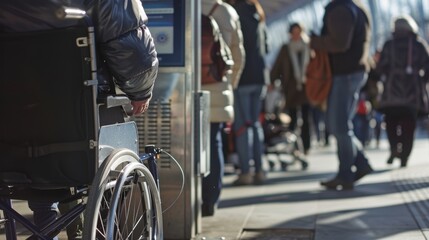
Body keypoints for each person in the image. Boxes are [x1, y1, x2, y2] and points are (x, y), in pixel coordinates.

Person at [0, 0, 158, 239]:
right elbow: (132, 51)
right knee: (95, 143)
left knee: (33, 130)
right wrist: (141, 91)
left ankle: (46, 226)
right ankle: (96, 227)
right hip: (78, 128)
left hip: (12, 136)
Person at [310, 0, 373, 190]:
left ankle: (346, 173)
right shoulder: (355, 7)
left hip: (344, 73)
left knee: (338, 125)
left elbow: (339, 44)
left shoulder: (340, 10)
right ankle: (360, 163)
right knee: (340, 124)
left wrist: (313, 41)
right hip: (351, 71)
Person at [201, 0, 245, 216]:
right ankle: (209, 200)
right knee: (213, 142)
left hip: (183, 87)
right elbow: (238, 57)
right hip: (217, 86)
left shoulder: (181, 7)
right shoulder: (227, 12)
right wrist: (229, 85)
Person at [376, 15, 429, 167]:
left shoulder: (388, 45)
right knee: (408, 126)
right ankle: (404, 156)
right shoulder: (418, 45)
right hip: (412, 93)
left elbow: (381, 68)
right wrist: (422, 80)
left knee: (391, 123)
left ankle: (394, 148)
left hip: (391, 93)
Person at [227, 0, 268, 185]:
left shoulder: (234, 13)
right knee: (255, 125)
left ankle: (245, 172)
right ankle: (259, 170)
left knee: (242, 127)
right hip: (259, 77)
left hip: (242, 78)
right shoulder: (259, 15)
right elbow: (265, 47)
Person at [270, 22, 312, 155]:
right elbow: (277, 66)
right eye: (293, 32)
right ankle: (294, 146)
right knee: (292, 118)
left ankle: (306, 146)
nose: (296, 35)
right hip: (291, 88)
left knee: (306, 117)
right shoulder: (286, 48)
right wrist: (272, 81)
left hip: (307, 87)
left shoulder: (309, 46)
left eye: (298, 32)